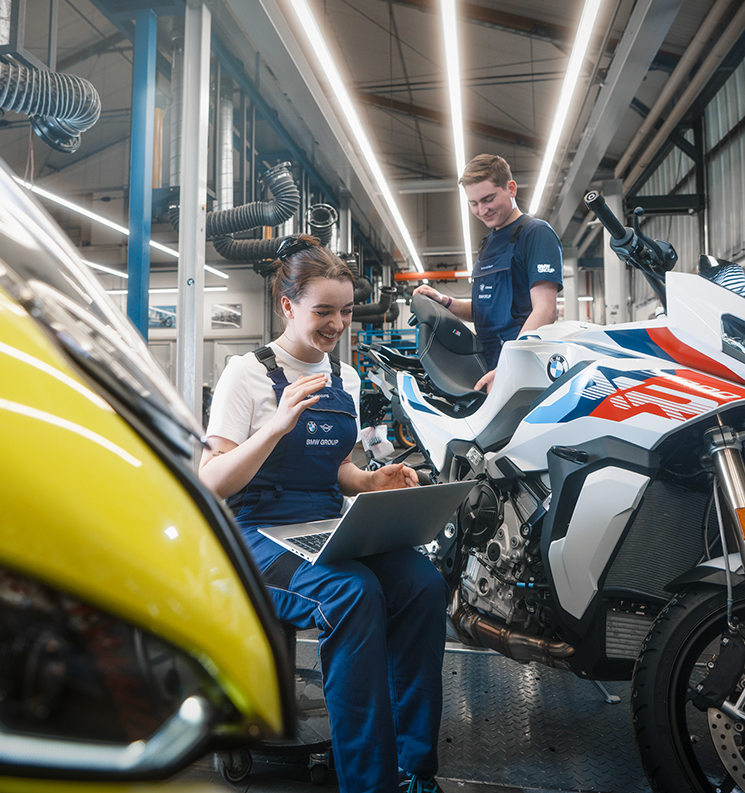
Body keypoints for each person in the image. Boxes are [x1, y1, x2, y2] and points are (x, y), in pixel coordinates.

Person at [199, 234, 447, 793]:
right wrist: (274, 425)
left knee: (422, 584)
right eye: (323, 311)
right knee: (352, 593)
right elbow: (212, 480)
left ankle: (414, 768)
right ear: (288, 306)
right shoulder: (250, 373)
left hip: (324, 526)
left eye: (347, 310)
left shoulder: (346, 378)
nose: (338, 323)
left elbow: (338, 469)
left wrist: (372, 481)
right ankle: (368, 781)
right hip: (257, 534)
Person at [415, 154, 563, 391]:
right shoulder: (488, 243)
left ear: (511, 188)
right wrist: (444, 301)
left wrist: (507, 367)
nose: (482, 210)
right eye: (473, 203)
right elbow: (485, 311)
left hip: (523, 370)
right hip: (488, 364)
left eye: (488, 199)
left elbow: (545, 311)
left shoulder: (535, 233)